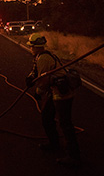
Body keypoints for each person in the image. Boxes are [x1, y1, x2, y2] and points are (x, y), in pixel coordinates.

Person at [25, 33, 81, 167]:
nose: (31, 49)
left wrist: (38, 91)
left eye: (31, 47)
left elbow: (43, 81)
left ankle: (74, 156)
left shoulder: (43, 59)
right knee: (47, 117)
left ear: (36, 47)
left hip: (62, 94)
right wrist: (30, 78)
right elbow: (37, 73)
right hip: (54, 92)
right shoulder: (40, 57)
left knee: (65, 124)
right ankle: (54, 143)